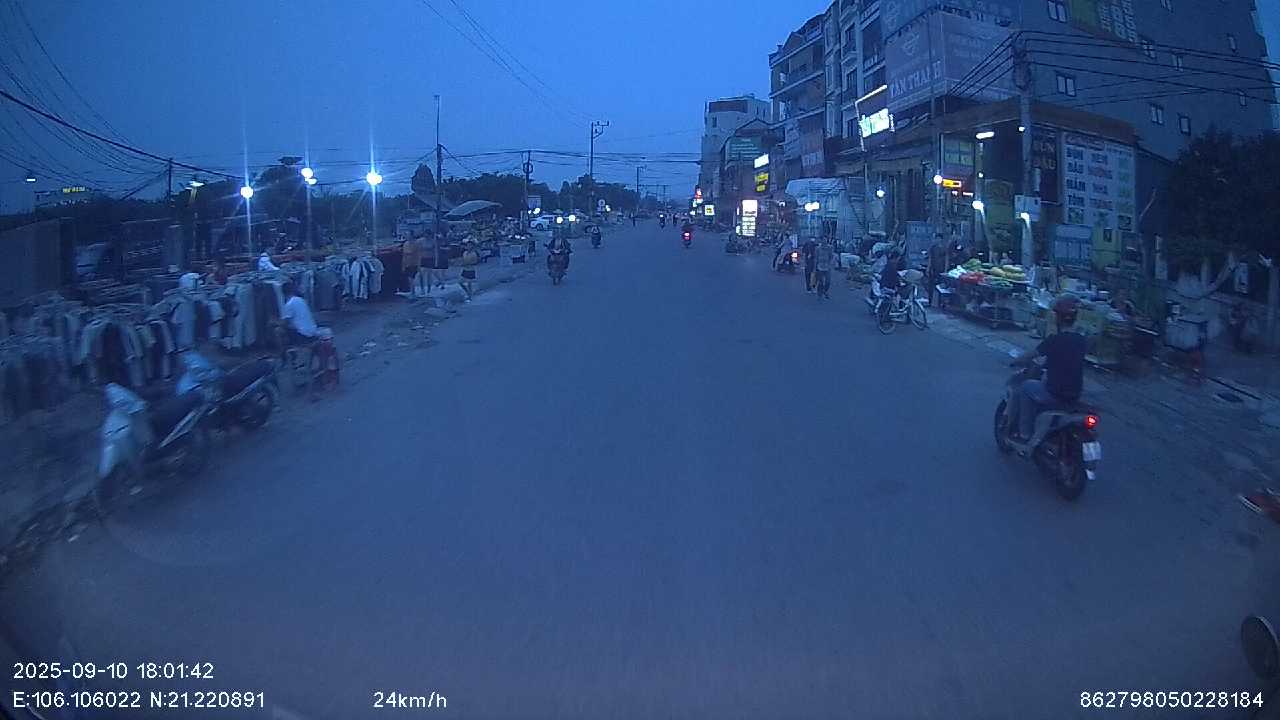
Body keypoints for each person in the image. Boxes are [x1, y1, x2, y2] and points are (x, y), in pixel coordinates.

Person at [1008, 296, 1087, 441]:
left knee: (1025, 387)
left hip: (1055, 393)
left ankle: (1024, 434)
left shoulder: (1054, 340)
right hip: (1075, 394)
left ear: (1057, 318)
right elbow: (1066, 359)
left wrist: (1015, 361)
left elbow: (1030, 355)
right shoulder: (1081, 341)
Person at [280, 281, 320, 345]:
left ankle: (286, 349)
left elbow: (285, 323)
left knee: (279, 330)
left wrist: (275, 322)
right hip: (313, 331)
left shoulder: (289, 304)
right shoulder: (301, 300)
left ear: (283, 293)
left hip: (302, 334)